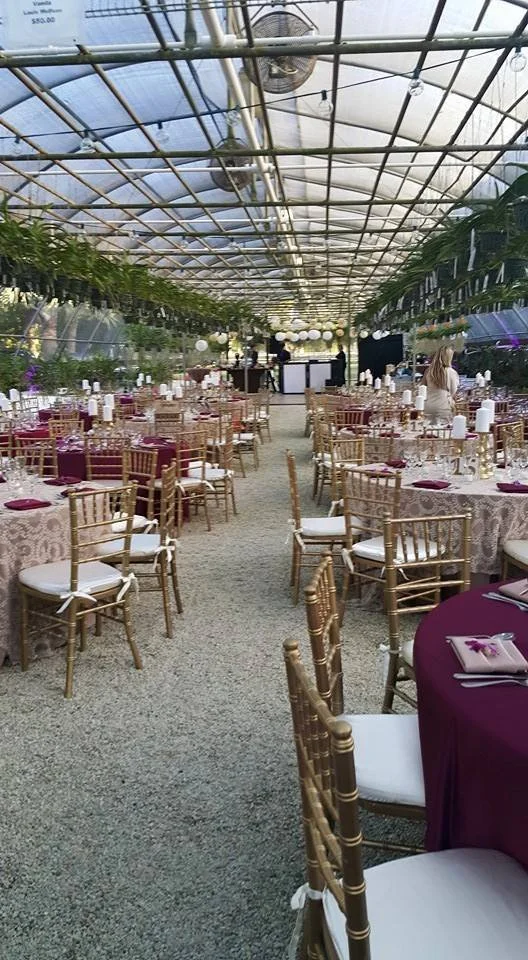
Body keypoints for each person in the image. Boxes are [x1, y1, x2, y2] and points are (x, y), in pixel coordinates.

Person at [423, 346, 459, 420]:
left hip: (428, 405)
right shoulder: (451, 372)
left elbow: (423, 387)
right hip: (443, 406)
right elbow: (453, 391)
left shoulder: (429, 371)